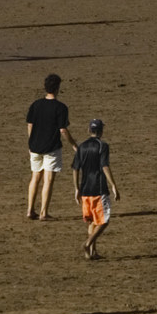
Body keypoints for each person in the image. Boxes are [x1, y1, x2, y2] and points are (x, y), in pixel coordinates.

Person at [25, 74, 78, 220]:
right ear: (57, 88)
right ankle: (43, 213)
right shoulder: (60, 108)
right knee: (48, 180)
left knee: (35, 177)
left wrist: (31, 142)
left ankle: (30, 210)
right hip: (51, 148)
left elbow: (30, 125)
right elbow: (63, 130)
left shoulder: (36, 104)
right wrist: (74, 145)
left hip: (35, 147)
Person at [73, 118, 118, 259]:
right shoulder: (102, 146)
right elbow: (105, 166)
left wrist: (76, 188)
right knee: (104, 221)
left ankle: (92, 252)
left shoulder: (81, 147)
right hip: (98, 189)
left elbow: (75, 169)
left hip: (85, 189)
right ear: (101, 131)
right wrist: (113, 185)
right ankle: (88, 243)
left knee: (92, 221)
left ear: (89, 130)